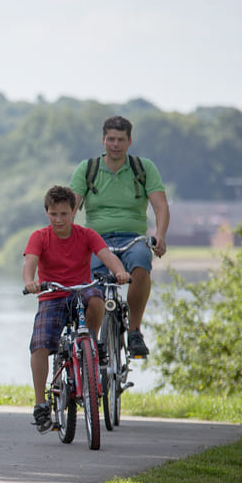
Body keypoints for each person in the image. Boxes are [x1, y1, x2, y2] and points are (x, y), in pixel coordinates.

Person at [24, 185, 129, 433]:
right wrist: (30, 282)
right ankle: (41, 405)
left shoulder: (86, 234)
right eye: (53, 214)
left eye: (64, 214)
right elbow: (30, 262)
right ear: (47, 213)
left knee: (97, 299)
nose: (59, 219)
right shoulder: (39, 237)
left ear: (74, 212)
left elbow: (107, 256)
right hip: (52, 295)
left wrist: (119, 271)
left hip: (81, 290)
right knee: (39, 345)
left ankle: (91, 343)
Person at [70, 115, 170, 358]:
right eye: (111, 139)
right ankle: (92, 345)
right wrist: (68, 239)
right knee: (93, 287)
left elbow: (160, 206)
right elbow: (71, 206)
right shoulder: (88, 169)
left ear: (129, 141)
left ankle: (134, 330)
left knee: (141, 266)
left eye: (121, 140)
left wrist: (160, 235)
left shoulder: (143, 168)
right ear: (103, 140)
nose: (115, 144)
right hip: (97, 240)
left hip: (132, 237)